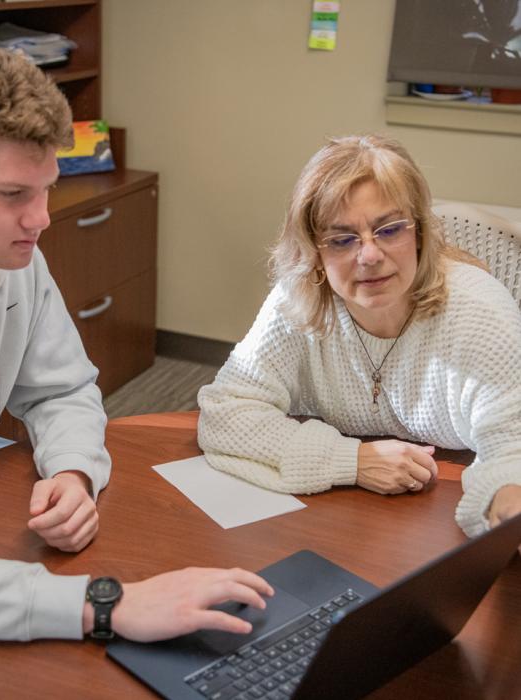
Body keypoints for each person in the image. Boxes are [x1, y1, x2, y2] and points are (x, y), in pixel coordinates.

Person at [0, 46, 273, 653]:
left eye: (46, 189)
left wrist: (72, 468)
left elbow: (61, 387)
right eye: (12, 194)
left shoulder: (4, 254)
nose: (41, 219)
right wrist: (107, 604)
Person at [198, 134, 521, 539]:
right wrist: (351, 461)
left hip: (441, 515)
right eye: (343, 239)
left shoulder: (479, 313)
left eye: (388, 230)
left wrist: (507, 505)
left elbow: (512, 449)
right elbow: (226, 411)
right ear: (315, 253)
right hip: (334, 518)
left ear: (419, 233)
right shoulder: (298, 301)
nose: (368, 256)